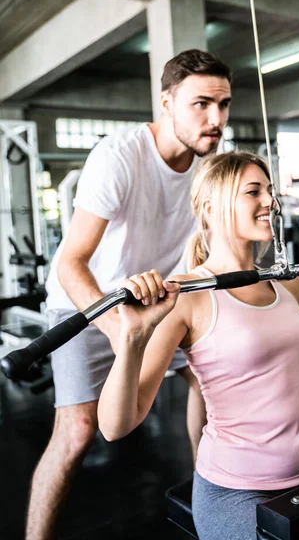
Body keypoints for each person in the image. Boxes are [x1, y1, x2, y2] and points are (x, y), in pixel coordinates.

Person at [97, 151, 299, 540]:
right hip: (236, 491)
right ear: (210, 206)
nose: (270, 202)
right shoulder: (188, 295)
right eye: (253, 191)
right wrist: (132, 337)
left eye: (270, 192)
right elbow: (114, 426)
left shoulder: (286, 283)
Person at [26, 49, 233, 540]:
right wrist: (121, 330)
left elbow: (211, 246)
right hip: (86, 299)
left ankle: (216, 495)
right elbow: (70, 262)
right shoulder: (119, 156)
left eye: (223, 105)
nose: (216, 119)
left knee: (209, 386)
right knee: (78, 431)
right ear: (167, 101)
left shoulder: (210, 167)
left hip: (158, 296)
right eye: (201, 104)